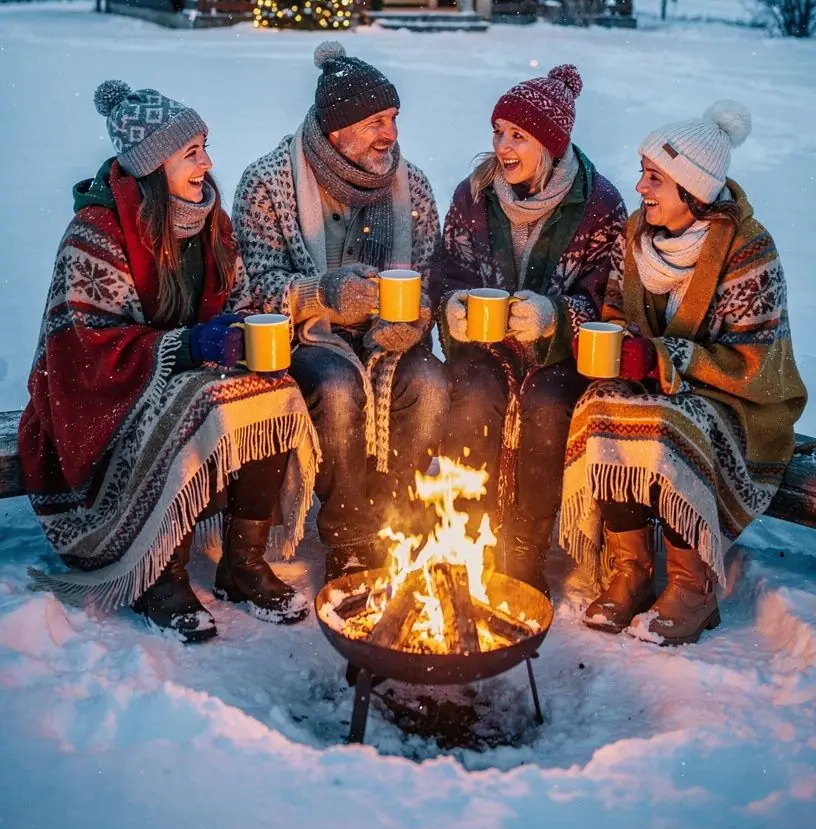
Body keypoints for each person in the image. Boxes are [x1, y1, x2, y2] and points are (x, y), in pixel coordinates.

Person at [18, 80, 319, 643]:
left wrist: (244, 329)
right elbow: (84, 349)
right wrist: (189, 344)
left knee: (277, 387)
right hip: (98, 395)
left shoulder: (209, 221)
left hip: (174, 373)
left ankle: (243, 563)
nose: (207, 163)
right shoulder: (97, 233)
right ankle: (159, 571)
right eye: (192, 153)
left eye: (205, 146)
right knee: (194, 399)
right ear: (155, 166)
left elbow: (239, 294)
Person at [560, 101, 807, 645]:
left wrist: (661, 359)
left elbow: (755, 364)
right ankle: (633, 572)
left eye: (655, 179)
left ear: (693, 192)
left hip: (740, 401)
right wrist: (614, 346)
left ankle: (693, 590)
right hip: (661, 385)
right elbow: (618, 316)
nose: (641, 188)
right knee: (600, 404)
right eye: (643, 174)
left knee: (674, 425)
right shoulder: (637, 234)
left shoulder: (747, 251)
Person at [232, 42, 450, 581]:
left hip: (386, 339)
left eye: (394, 118)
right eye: (376, 121)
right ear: (337, 130)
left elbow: (429, 279)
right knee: (336, 389)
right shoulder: (268, 184)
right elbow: (254, 291)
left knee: (433, 387)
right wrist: (324, 294)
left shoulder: (412, 186)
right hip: (308, 338)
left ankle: (392, 517)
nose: (391, 134)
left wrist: (413, 320)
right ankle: (351, 533)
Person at [429, 64, 627, 593]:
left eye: (518, 135)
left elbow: (609, 298)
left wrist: (556, 319)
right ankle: (462, 530)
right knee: (473, 391)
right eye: (498, 131)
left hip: (559, 357)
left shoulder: (599, 206)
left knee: (544, 403)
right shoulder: (474, 195)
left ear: (551, 143)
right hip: (486, 347)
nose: (502, 146)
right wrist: (451, 305)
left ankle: (525, 548)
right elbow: (448, 270)